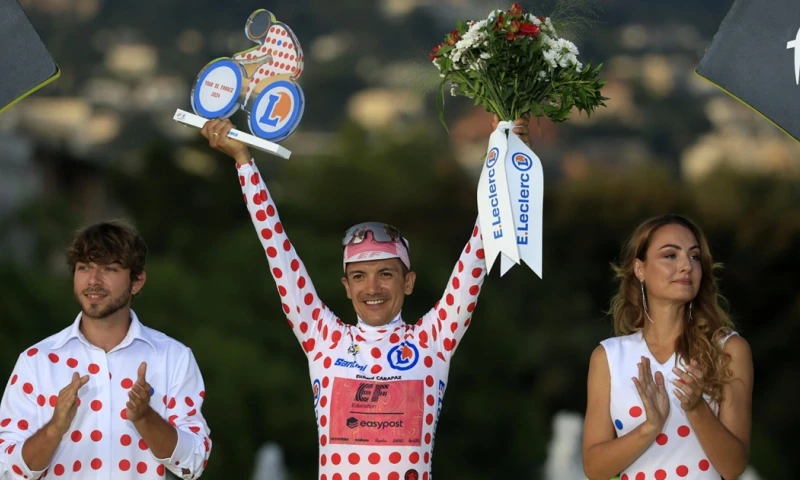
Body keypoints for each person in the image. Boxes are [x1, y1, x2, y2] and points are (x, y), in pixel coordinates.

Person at [200, 116, 528, 480]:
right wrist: (243, 161)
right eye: (359, 276)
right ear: (346, 286)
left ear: (408, 282)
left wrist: (505, 154)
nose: (372, 288)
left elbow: (477, 252)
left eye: (385, 274)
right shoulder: (323, 338)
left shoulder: (433, 340)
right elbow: (276, 246)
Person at [0, 221, 211, 479]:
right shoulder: (37, 361)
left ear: (137, 281)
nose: (93, 280)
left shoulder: (173, 358)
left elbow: (193, 464)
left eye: (109, 268)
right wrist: (54, 429)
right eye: (84, 267)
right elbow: (7, 469)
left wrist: (145, 418)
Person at [581, 215, 753, 480]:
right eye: (671, 255)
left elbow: (733, 467)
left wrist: (696, 408)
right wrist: (650, 427)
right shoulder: (609, 357)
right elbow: (594, 469)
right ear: (640, 269)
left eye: (694, 257)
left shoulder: (729, 350)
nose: (686, 266)